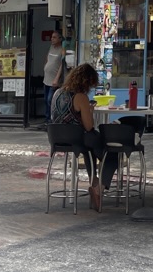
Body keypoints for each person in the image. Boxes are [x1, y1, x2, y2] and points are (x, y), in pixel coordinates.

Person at [50, 63, 118, 211]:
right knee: (111, 154)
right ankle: (99, 188)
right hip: (77, 138)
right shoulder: (80, 97)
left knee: (90, 149)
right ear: (86, 82)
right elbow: (88, 126)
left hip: (58, 139)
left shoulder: (57, 93)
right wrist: (89, 111)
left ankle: (94, 181)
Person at [42, 31, 66, 128]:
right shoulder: (51, 47)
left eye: (54, 37)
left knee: (50, 100)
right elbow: (47, 58)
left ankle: (52, 120)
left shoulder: (62, 49)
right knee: (45, 100)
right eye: (52, 37)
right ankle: (47, 119)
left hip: (54, 80)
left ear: (60, 39)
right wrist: (45, 67)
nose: (52, 39)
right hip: (46, 79)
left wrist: (57, 78)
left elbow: (62, 64)